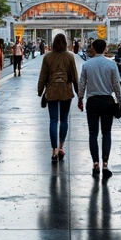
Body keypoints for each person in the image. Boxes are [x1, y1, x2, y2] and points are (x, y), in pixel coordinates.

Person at [77, 38, 121, 179]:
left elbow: (82, 84)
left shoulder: (87, 65)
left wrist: (80, 99)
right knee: (107, 133)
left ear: (93, 48)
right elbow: (116, 84)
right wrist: (119, 100)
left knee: (92, 133)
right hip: (107, 101)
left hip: (92, 101)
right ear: (105, 49)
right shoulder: (111, 65)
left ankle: (95, 164)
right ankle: (105, 164)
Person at [37, 32, 78, 161]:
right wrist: (79, 93)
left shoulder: (47, 57)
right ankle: (61, 147)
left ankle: (53, 150)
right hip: (66, 91)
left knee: (53, 120)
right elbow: (74, 76)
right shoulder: (70, 57)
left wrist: (40, 90)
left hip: (52, 91)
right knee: (64, 119)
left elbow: (43, 75)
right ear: (65, 43)